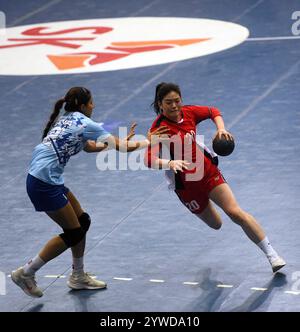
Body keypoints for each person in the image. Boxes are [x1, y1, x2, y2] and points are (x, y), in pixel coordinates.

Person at [11, 86, 167, 298]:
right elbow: (123, 148)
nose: (94, 106)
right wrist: (150, 141)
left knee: (82, 221)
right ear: (83, 106)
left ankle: (78, 275)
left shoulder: (68, 118)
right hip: (43, 183)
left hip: (47, 179)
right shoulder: (86, 122)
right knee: (74, 232)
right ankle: (26, 272)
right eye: (91, 102)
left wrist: (118, 143)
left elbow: (90, 147)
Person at [145, 82, 286, 273]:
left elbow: (213, 111)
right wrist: (169, 163)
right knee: (216, 224)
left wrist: (221, 129)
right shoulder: (158, 128)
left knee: (235, 212)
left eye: (177, 101)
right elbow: (148, 159)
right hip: (186, 186)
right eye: (168, 102)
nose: (174, 106)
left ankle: (272, 255)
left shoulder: (189, 113)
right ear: (160, 104)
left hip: (207, 172)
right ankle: (206, 201)